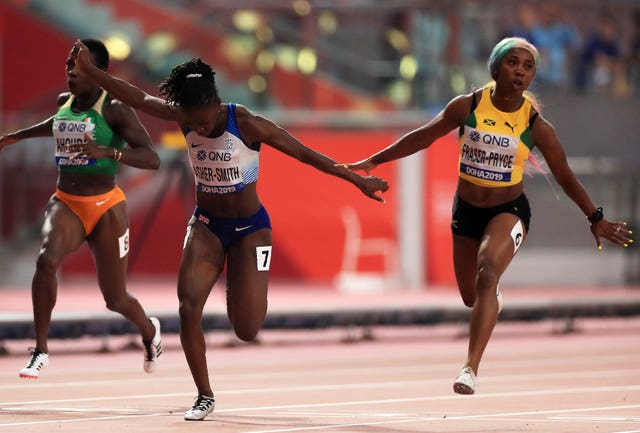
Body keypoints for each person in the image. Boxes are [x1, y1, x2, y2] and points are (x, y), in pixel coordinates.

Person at [73, 40, 388, 421]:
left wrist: (356, 180)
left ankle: (241, 284)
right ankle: (204, 395)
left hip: (251, 230)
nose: (200, 127)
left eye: (204, 120)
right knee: (188, 307)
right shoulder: (184, 116)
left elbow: (306, 154)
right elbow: (138, 97)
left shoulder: (248, 123)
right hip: (206, 225)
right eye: (193, 121)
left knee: (247, 328)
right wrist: (93, 73)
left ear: (215, 102)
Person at [341, 36, 632, 395]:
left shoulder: (537, 126)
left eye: (528, 67)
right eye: (513, 63)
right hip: (466, 211)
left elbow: (565, 175)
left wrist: (595, 216)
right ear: (495, 68)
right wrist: (374, 160)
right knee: (471, 296)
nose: (520, 71)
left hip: (508, 210)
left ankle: (469, 369)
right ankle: (491, 297)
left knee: (486, 273)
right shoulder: (467, 106)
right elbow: (423, 137)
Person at [0, 39, 163, 379]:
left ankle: (149, 331)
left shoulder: (115, 108)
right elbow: (55, 125)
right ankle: (40, 350)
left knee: (115, 299)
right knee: (46, 260)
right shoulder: (64, 102)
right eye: (68, 65)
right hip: (67, 202)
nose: (71, 72)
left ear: (98, 71)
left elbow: (152, 157)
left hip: (106, 207)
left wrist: (108, 152)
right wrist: (16, 136)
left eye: (80, 66)